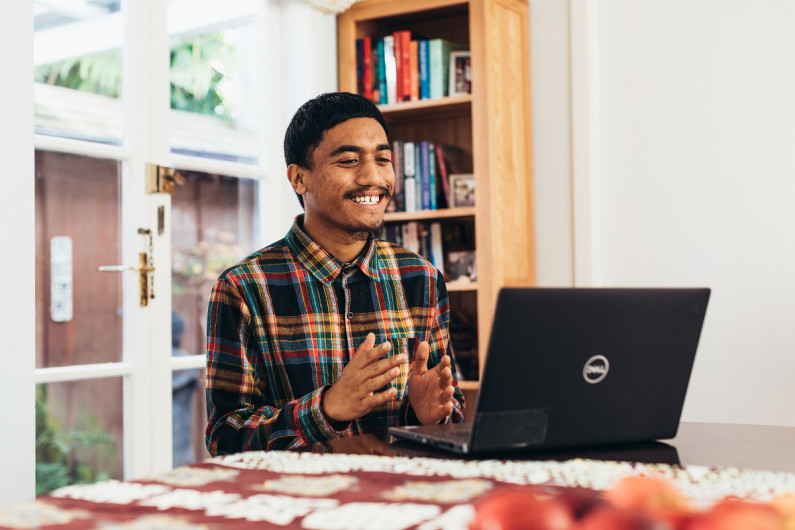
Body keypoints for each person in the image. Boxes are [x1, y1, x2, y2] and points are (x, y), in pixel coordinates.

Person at [205, 92, 465, 456]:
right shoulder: (244, 288)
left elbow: (449, 417)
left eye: (383, 159)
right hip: (298, 504)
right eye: (348, 160)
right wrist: (326, 409)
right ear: (298, 178)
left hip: (401, 496)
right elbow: (224, 438)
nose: (373, 177)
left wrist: (429, 416)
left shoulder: (421, 279)